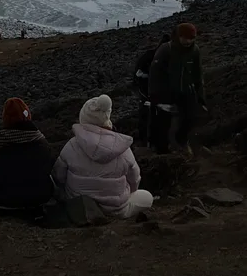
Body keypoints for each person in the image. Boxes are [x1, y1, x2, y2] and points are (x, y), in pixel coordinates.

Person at [53, 94, 153, 219]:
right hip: (115, 211)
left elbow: (58, 177)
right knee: (147, 197)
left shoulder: (71, 145)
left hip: (81, 209)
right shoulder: (122, 147)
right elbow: (135, 180)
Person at [149, 23, 206, 155]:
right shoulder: (166, 49)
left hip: (186, 91)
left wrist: (201, 97)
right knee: (163, 122)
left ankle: (182, 141)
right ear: (179, 36)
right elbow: (154, 74)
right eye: (185, 38)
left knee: (190, 118)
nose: (188, 41)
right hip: (166, 93)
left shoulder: (195, 51)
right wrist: (155, 96)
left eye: (191, 38)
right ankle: (161, 150)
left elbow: (198, 75)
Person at [133, 34, 171, 146]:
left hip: (157, 94)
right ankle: (146, 142)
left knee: (154, 119)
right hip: (147, 93)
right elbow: (138, 76)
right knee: (148, 117)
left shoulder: (168, 58)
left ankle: (152, 142)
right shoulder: (149, 57)